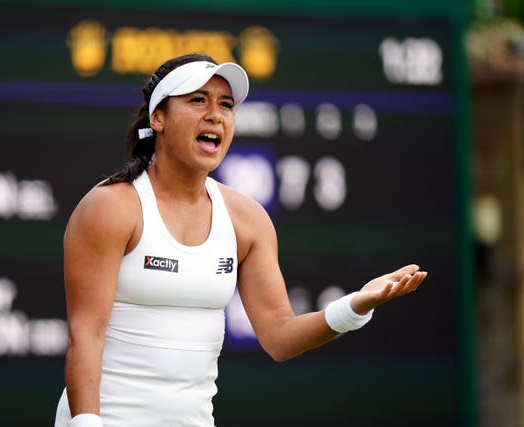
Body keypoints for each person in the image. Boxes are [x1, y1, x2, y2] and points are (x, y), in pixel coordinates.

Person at [54, 53, 427, 427]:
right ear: (158, 118)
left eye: (226, 105)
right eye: (198, 99)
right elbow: (86, 334)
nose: (215, 114)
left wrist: (355, 307)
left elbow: (280, 336)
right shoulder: (110, 206)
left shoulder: (247, 220)